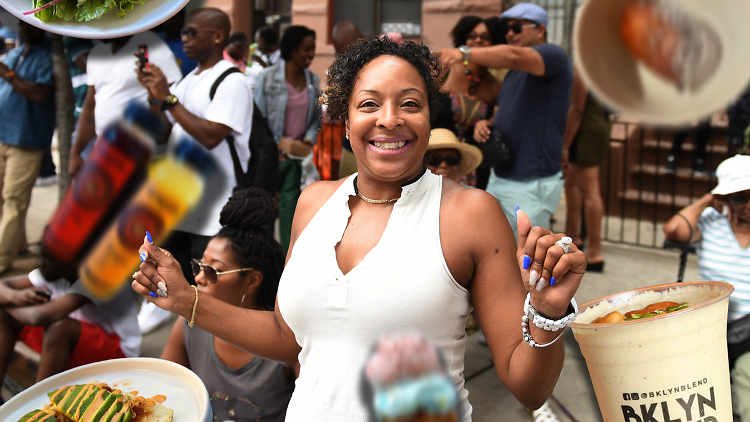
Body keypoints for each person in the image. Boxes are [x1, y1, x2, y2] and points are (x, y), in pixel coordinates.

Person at [133, 36, 587, 421]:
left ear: (431, 120)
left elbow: (528, 389)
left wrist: (547, 313)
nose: (389, 118)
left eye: (410, 103)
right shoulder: (312, 204)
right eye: (370, 103)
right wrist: (183, 298)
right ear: (346, 121)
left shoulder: (470, 213)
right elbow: (288, 339)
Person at [137, 8, 252, 333]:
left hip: (215, 206)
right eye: (183, 33)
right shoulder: (189, 79)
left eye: (191, 33)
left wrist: (168, 98)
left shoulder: (233, 81)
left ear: (217, 36)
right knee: (167, 266)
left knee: (209, 286)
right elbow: (165, 132)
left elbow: (211, 136)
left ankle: (209, 342)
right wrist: (154, 98)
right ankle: (167, 312)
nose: (183, 40)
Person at [436, 3, 573, 237]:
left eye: (517, 28)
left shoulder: (553, 54)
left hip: (530, 182)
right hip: (501, 177)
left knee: (531, 262)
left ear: (540, 30)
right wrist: (485, 122)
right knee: (500, 255)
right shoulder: (515, 73)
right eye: (507, 29)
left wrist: (464, 52)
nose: (510, 34)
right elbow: (503, 111)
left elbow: (514, 56)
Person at [160, 188, 294, 422]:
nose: (199, 278)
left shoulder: (287, 339)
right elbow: (161, 391)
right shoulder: (189, 325)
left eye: (214, 270)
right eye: (198, 266)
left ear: (252, 281)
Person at [662, 154, 750, 421]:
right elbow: (675, 230)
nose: (749, 204)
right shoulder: (711, 220)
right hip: (708, 326)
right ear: (723, 199)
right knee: (681, 383)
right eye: (739, 197)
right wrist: (709, 199)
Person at [0, 246, 140, 386]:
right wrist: (14, 296)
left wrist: (7, 304)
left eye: (48, 259)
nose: (40, 263)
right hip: (75, 342)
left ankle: (40, 401)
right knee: (4, 316)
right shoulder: (52, 270)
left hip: (118, 355)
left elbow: (38, 317)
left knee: (60, 327)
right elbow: (3, 285)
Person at [68, 30, 182, 177]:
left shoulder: (153, 45)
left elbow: (174, 95)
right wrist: (76, 152)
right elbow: (90, 107)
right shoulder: (97, 53)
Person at [254, 25, 321, 254]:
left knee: (291, 222)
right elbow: (258, 120)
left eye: (312, 49)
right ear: (292, 49)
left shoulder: (312, 81)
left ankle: (285, 268)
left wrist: (309, 141)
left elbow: (316, 120)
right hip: (270, 159)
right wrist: (275, 149)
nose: (311, 54)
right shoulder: (267, 77)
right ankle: (263, 269)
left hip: (295, 161)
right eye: (306, 49)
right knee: (263, 218)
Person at [0, 22, 55, 276]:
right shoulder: (13, 54)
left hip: (27, 139)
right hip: (3, 134)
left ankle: (2, 259)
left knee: (14, 199)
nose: (25, 29)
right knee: (5, 198)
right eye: (22, 25)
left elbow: (40, 95)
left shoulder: (47, 56)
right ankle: (18, 246)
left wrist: (8, 74)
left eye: (30, 25)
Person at [561, 67, 610, 272]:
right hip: (595, 125)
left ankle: (595, 252)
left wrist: (565, 145)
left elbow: (577, 109)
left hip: (585, 131)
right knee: (571, 184)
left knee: (590, 189)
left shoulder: (584, 69)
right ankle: (574, 238)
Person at [329, 21, 365, 180]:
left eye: (351, 51)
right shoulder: (339, 72)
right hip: (351, 149)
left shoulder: (380, 65)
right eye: (341, 54)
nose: (347, 58)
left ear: (362, 41)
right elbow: (334, 111)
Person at [157, 8, 198, 77]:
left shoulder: (193, 44)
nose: (175, 20)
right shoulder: (154, 40)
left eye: (179, 16)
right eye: (171, 16)